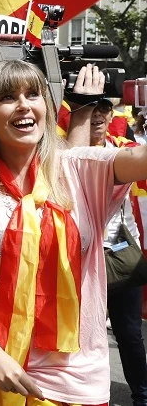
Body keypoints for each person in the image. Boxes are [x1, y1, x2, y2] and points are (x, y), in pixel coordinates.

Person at [0, 62, 147, 406]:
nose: (23, 105)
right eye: (7, 97)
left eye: (33, 94)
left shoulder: (81, 169)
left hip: (74, 377)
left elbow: (140, 158)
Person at [86, 98, 147, 406]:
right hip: (80, 262)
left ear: (111, 114)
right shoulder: (63, 149)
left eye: (103, 109)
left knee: (131, 335)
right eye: (90, 108)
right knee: (83, 337)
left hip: (121, 258)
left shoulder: (124, 148)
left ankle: (142, 396)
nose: (97, 115)